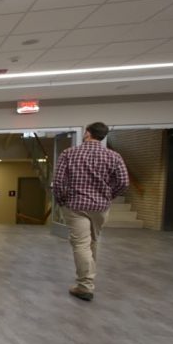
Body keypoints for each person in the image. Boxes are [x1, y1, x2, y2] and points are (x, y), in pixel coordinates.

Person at [52, 122, 129, 301]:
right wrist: (108, 196)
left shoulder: (69, 154)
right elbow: (124, 182)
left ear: (87, 133)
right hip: (100, 207)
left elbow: (58, 182)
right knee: (92, 242)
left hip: (76, 206)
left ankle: (85, 286)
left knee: (81, 245)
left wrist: (62, 201)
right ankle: (87, 281)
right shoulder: (114, 156)